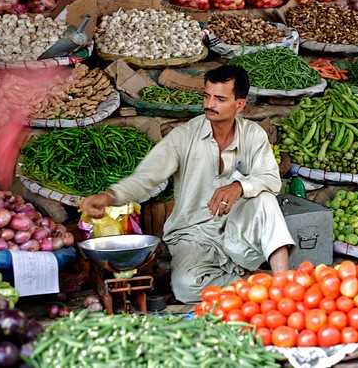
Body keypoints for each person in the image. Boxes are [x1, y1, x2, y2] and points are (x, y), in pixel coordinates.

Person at [80, 65, 295, 303]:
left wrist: (239, 187)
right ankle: (251, 281)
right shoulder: (185, 135)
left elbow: (272, 180)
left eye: (220, 99)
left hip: (237, 228)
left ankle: (282, 287)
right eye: (207, 96)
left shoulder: (253, 135)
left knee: (265, 199)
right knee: (185, 288)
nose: (210, 104)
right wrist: (111, 196)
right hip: (194, 232)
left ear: (239, 105)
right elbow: (147, 176)